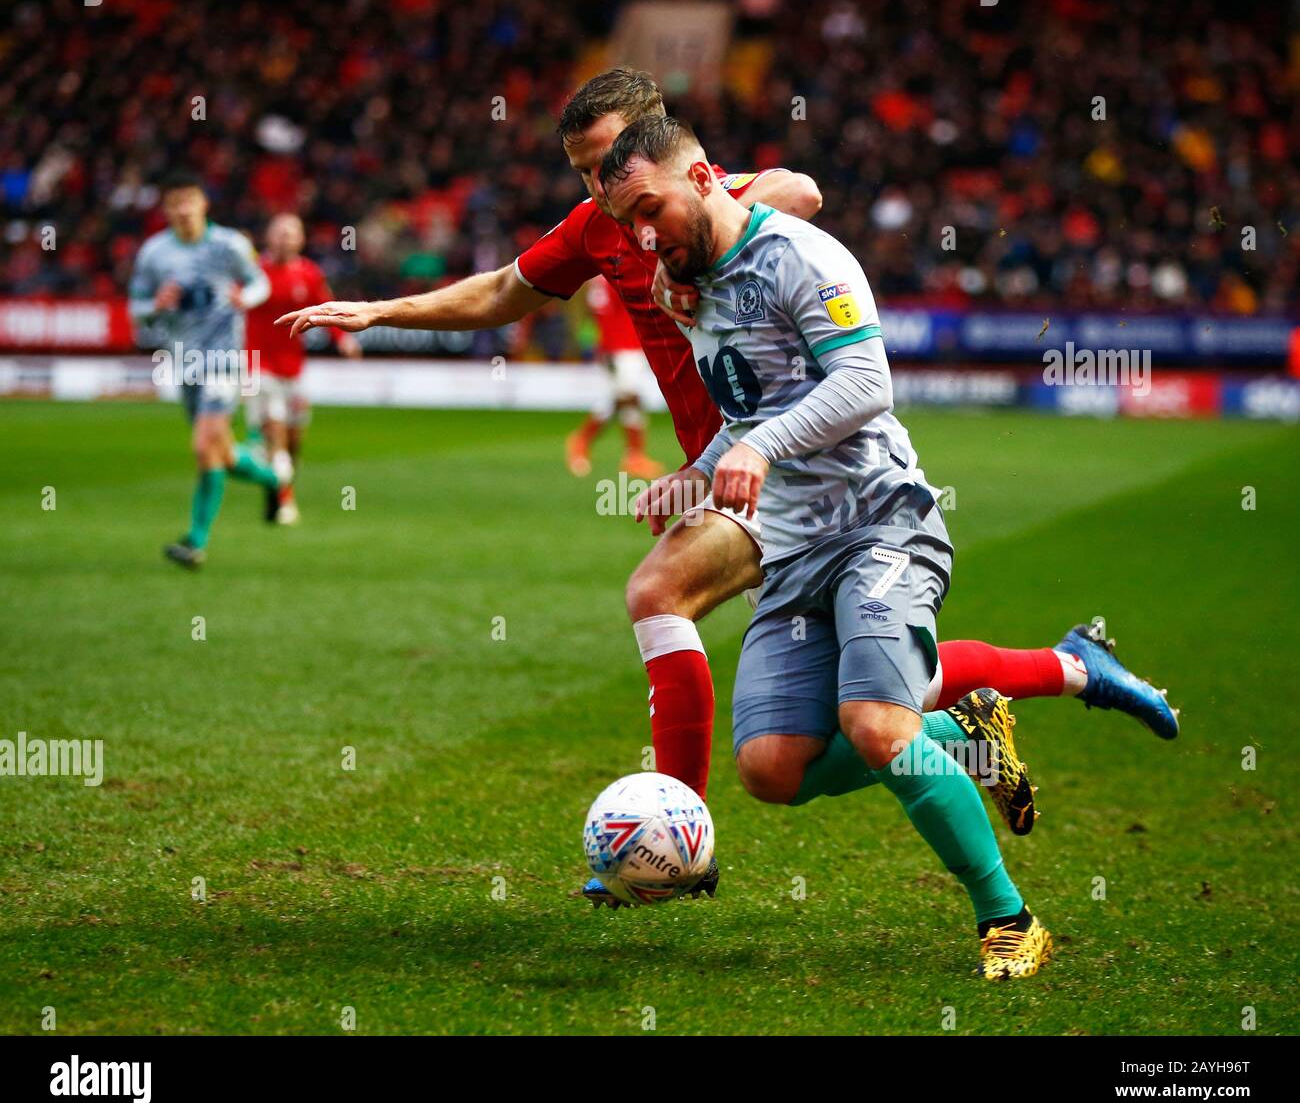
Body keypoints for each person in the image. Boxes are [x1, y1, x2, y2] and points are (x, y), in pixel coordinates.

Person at [275, 69, 1178, 909]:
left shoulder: (698, 198)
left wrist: (726, 201)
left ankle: (680, 836)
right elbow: (506, 290)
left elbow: (801, 191)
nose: (602, 192)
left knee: (668, 596)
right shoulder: (603, 226)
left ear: (661, 147)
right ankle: (1030, 691)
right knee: (849, 709)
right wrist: (380, 310)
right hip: (723, 461)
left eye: (612, 167)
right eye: (588, 176)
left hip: (790, 464)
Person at [602, 115, 1053, 978]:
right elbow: (748, 409)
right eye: (628, 224)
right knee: (771, 767)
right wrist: (697, 471)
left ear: (703, 180)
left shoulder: (804, 256)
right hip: (794, 546)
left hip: (882, 519)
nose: (643, 236)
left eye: (649, 209)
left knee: (876, 723)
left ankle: (1009, 915)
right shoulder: (688, 287)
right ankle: (962, 735)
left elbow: (865, 381)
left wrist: (757, 450)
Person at [128, 173, 285, 568]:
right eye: (175, 203)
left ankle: (195, 541)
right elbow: (136, 309)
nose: (183, 210)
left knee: (203, 446)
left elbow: (260, 283)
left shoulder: (229, 245)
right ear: (166, 210)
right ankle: (272, 479)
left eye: (189, 201)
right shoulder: (154, 253)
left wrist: (243, 297)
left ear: (203, 204)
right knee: (223, 454)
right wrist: (155, 306)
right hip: (184, 361)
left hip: (225, 360)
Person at [245, 214, 362, 525]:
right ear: (268, 238)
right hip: (258, 366)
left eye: (291, 233)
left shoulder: (309, 274)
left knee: (295, 440)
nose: (285, 239)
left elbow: (325, 307)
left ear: (300, 239)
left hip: (293, 369)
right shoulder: (253, 272)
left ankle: (275, 484)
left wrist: (342, 339)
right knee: (277, 432)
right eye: (280, 233)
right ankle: (285, 502)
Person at [565, 277, 664, 481]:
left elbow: (599, 312)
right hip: (622, 347)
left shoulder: (602, 277)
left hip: (627, 346)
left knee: (626, 399)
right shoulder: (614, 274)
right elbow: (605, 314)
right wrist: (609, 350)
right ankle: (583, 438)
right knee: (629, 395)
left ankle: (634, 457)